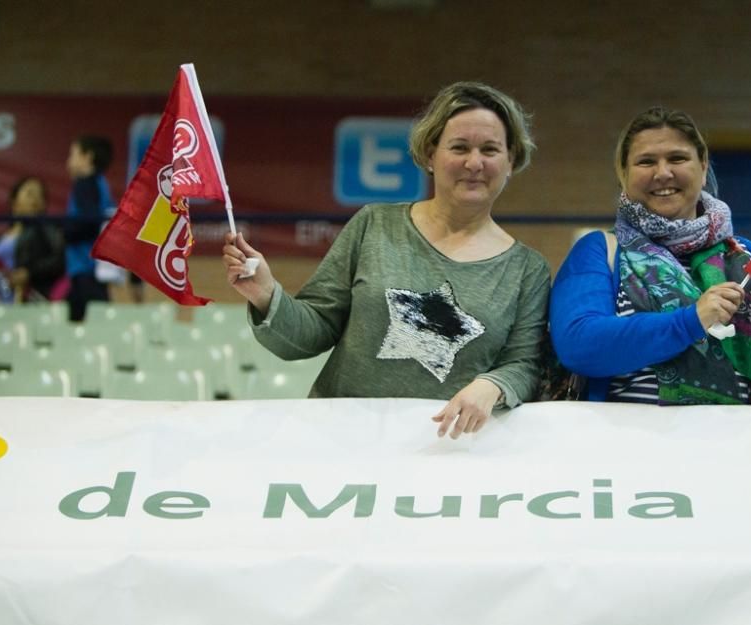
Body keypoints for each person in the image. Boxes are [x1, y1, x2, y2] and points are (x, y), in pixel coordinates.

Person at [549, 106, 751, 550]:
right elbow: (580, 345)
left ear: (703, 167)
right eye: (646, 161)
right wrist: (691, 320)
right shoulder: (601, 251)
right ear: (624, 173)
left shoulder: (748, 256)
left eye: (678, 158)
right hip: (632, 487)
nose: (663, 173)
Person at [223, 81, 550, 439]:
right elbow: (309, 335)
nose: (474, 162)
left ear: (511, 160)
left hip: (444, 453)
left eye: (490, 149)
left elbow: (525, 365)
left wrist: (493, 384)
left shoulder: (527, 270)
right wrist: (267, 295)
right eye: (459, 147)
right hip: (339, 440)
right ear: (430, 154)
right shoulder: (374, 225)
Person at [63, 135, 115, 321]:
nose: (69, 161)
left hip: (86, 268)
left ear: (87, 157)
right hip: (91, 269)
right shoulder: (100, 184)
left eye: (73, 154)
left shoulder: (85, 184)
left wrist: (65, 233)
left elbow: (89, 221)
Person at [0, 176, 66, 302]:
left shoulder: (47, 229)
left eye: (40, 195)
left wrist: (29, 272)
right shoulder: (2, 236)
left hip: (28, 297)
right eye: (30, 193)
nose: (35, 199)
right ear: (14, 200)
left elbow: (59, 259)